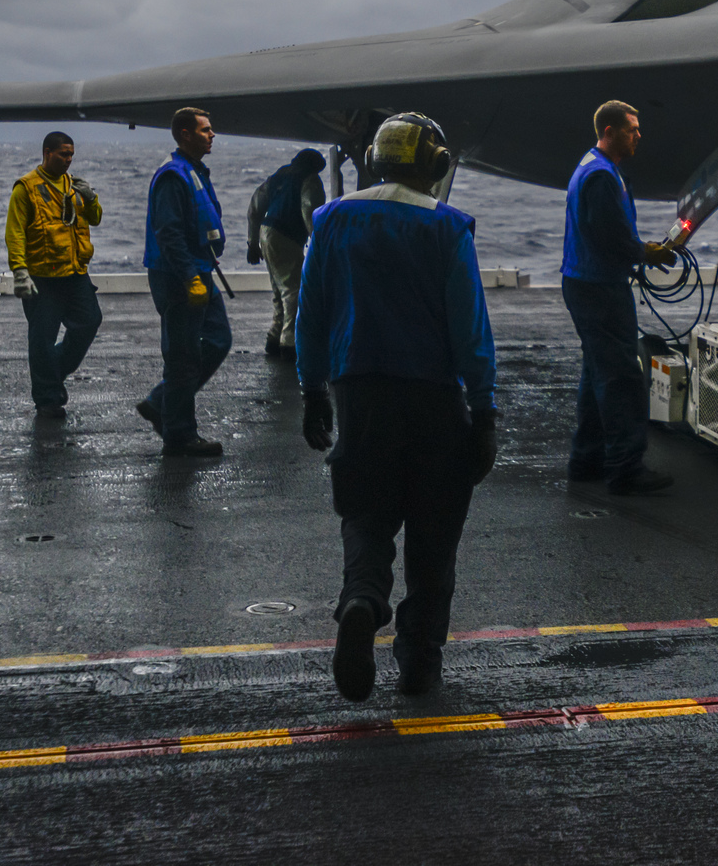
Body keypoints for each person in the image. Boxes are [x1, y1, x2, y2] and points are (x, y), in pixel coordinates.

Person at [297, 113, 497, 702]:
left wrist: (313, 393)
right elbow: (470, 330)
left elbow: (312, 314)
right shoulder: (449, 228)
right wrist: (483, 413)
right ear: (435, 166)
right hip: (434, 401)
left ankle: (362, 600)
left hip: (358, 396)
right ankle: (419, 664)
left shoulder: (331, 220)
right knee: (435, 539)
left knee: (365, 515)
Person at [560, 100, 676, 496]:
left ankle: (587, 460)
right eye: (631, 129)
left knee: (597, 372)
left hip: (586, 282)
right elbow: (608, 236)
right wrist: (647, 252)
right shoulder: (602, 178)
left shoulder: (593, 167)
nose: (638, 135)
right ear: (609, 132)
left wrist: (638, 252)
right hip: (599, 288)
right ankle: (626, 468)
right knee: (623, 375)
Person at [136, 107, 231, 457]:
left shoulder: (193, 171)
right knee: (182, 357)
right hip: (179, 276)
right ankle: (179, 434)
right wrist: (190, 277)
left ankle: (160, 401)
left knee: (218, 340)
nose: (212, 135)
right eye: (205, 130)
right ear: (185, 134)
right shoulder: (173, 176)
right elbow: (169, 233)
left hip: (200, 269)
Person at [6, 132, 104, 417]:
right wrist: (20, 271)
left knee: (89, 321)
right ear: (47, 152)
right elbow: (14, 233)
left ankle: (53, 371)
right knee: (42, 338)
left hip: (75, 273)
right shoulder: (26, 188)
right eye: (63, 154)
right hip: (42, 277)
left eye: (71, 154)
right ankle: (48, 399)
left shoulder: (74, 186)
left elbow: (95, 218)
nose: (68, 160)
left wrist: (91, 198)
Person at [249, 148, 328, 360]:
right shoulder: (310, 179)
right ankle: (289, 343)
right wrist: (317, 242)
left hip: (267, 232)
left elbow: (255, 207)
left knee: (279, 289)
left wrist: (252, 242)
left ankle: (274, 338)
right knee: (294, 290)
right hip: (287, 235)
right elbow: (309, 210)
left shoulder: (278, 176)